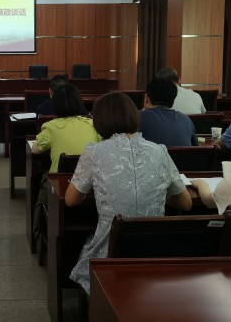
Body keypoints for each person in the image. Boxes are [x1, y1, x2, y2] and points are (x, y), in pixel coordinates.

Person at [65, 92, 192, 295]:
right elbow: (186, 203)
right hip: (155, 249)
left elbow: (71, 200)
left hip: (111, 249)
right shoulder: (159, 150)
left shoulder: (94, 152)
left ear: (100, 121)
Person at [32, 84, 101, 173]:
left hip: (59, 180)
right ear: (79, 102)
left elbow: (35, 150)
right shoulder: (94, 125)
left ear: (55, 105)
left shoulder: (51, 127)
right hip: (90, 179)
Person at [140, 77, 198, 146]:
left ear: (147, 98)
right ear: (173, 101)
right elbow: (195, 147)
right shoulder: (186, 119)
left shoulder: (137, 117)